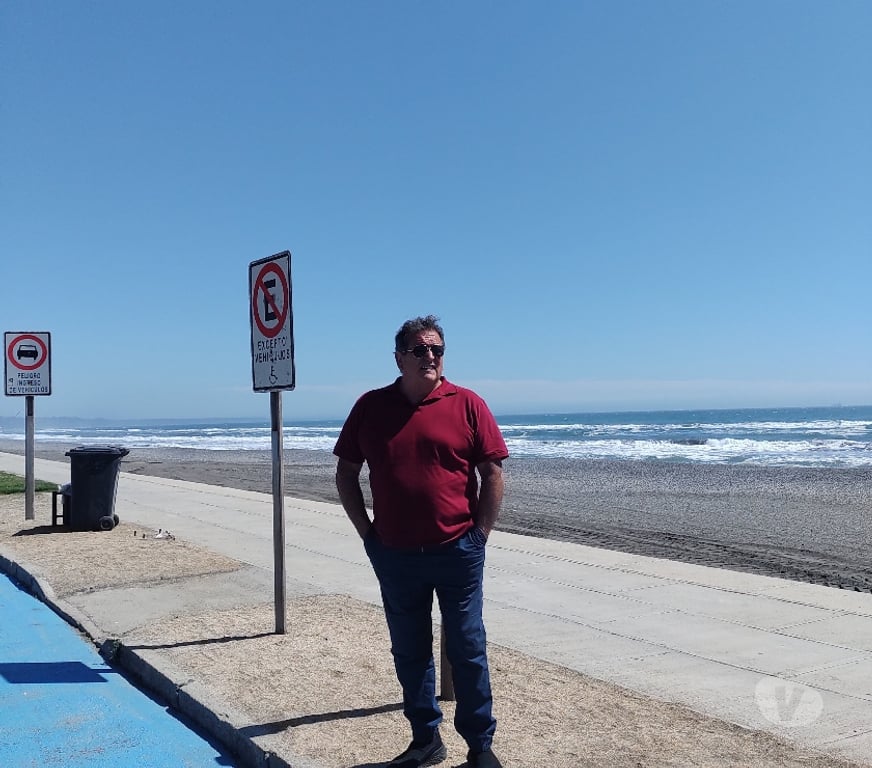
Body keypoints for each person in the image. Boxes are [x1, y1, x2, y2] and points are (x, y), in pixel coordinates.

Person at [334, 315, 508, 768]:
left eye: (436, 349)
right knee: (410, 650)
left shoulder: (468, 403)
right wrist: (369, 535)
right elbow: (346, 473)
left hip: (458, 551)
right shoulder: (371, 407)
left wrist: (481, 536)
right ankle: (425, 740)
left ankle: (480, 748)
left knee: (467, 647)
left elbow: (492, 472)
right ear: (399, 358)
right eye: (419, 349)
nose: (430, 356)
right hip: (395, 555)